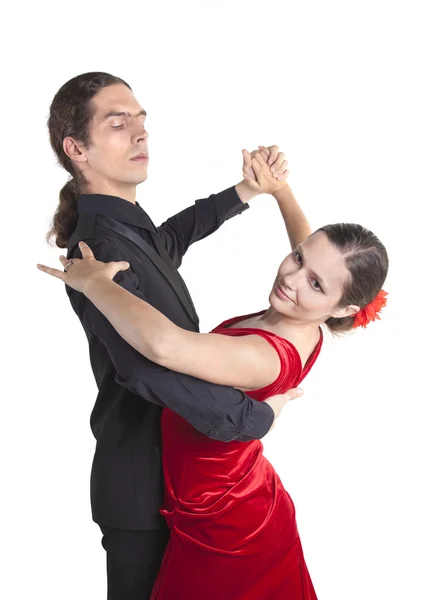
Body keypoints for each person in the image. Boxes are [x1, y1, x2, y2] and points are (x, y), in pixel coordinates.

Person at [38, 148, 389, 598]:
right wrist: (279, 192)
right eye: (298, 259)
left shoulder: (263, 356)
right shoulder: (313, 319)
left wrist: (97, 285)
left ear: (344, 308)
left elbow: (162, 345)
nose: (293, 279)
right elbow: (318, 256)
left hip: (224, 524)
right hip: (239, 492)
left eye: (315, 284)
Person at [41, 71, 300, 599]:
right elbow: (142, 368)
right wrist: (250, 418)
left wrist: (246, 191)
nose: (140, 134)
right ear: (77, 149)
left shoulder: (126, 227)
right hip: (143, 487)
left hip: (173, 478)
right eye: (118, 124)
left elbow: (169, 240)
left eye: (141, 121)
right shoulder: (95, 249)